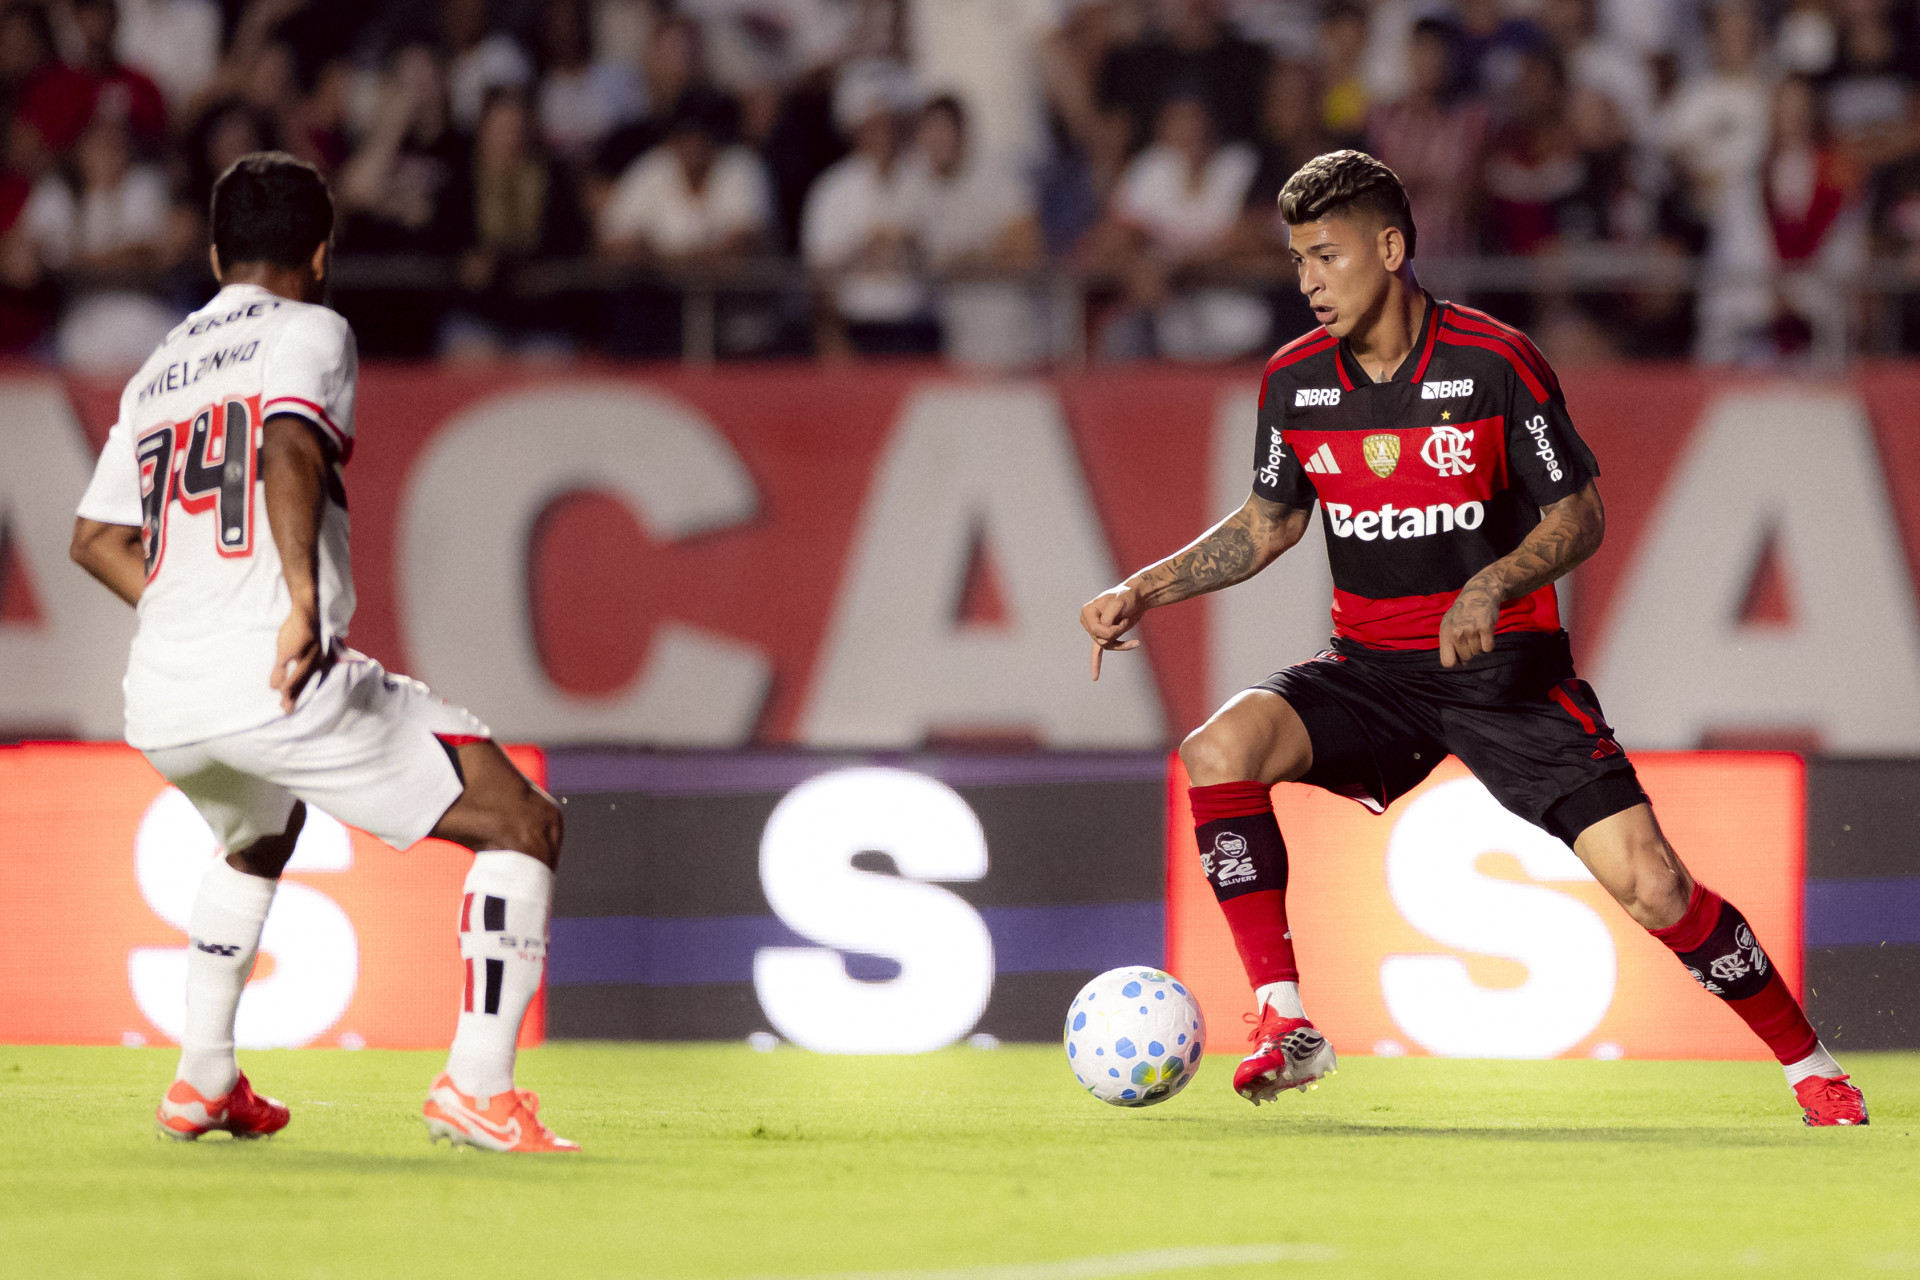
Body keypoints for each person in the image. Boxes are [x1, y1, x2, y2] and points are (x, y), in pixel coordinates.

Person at [1077, 149, 1869, 1127]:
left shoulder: (1492, 362)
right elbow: (1269, 523)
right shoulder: (1294, 381)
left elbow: (1579, 516)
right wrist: (1143, 588)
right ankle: (1286, 1019)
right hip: (1371, 672)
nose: (1308, 282)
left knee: (1654, 881)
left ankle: (1809, 1064)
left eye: (1325, 256)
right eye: (1297, 261)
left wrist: (1493, 580)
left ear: (1391, 247)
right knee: (1218, 749)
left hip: (1507, 678)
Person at [67, 152, 576, 1153]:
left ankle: (203, 1073)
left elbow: (93, 538)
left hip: (163, 697)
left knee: (259, 832)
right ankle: (477, 1086)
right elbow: (291, 444)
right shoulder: (312, 330)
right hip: (273, 676)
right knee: (523, 822)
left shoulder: (157, 367)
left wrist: (181, 604)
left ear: (215, 255)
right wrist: (301, 601)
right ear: (321, 253)